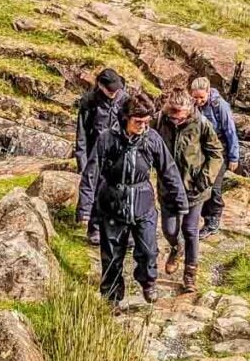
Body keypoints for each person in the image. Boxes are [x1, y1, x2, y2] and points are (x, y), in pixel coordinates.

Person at [77, 92, 189, 304]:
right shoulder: (107, 139)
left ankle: (148, 282)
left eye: (146, 122)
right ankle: (111, 298)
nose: (143, 126)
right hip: (112, 203)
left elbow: (169, 170)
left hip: (143, 203)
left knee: (148, 251)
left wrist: (180, 200)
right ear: (125, 118)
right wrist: (84, 208)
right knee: (111, 256)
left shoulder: (152, 139)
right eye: (138, 122)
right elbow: (91, 173)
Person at [154, 88, 223, 292]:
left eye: (180, 115)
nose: (176, 119)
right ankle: (177, 247)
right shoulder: (159, 121)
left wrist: (205, 179)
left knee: (191, 230)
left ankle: (190, 275)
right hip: (168, 189)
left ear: (189, 109)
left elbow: (216, 153)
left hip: (194, 188)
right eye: (173, 114)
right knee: (170, 230)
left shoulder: (201, 124)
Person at [75, 68, 126, 245]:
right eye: (110, 90)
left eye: (116, 90)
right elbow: (81, 135)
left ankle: (119, 229)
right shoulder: (89, 102)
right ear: (100, 85)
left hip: (119, 152)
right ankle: (94, 227)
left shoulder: (125, 100)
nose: (113, 93)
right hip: (96, 152)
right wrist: (82, 161)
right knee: (96, 188)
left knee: (120, 190)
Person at [189, 77, 239, 238]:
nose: (198, 101)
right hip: (199, 151)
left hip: (219, 151)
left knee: (214, 187)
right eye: (195, 97)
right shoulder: (192, 106)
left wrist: (233, 157)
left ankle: (213, 220)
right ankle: (204, 217)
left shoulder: (220, 106)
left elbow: (230, 131)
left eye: (201, 98)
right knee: (200, 184)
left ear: (208, 92)